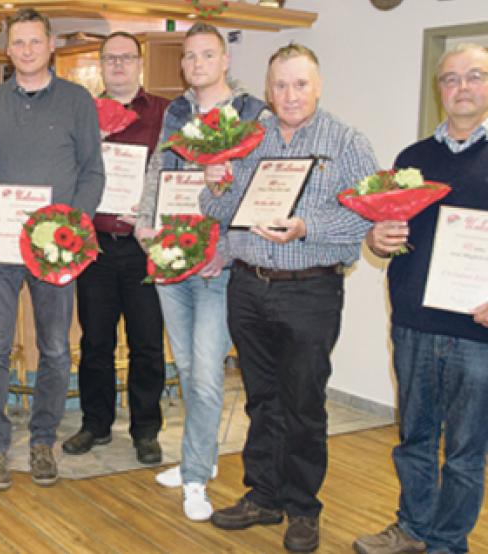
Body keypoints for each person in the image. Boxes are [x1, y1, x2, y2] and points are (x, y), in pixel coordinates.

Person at [199, 43, 377, 552]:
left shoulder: (347, 142)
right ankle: (263, 495)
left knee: (303, 403)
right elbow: (221, 209)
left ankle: (303, 508)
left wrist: (305, 226)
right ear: (268, 88)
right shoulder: (250, 141)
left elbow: (367, 215)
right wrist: (212, 185)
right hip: (250, 286)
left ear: (318, 86)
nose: (289, 94)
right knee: (261, 400)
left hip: (310, 290)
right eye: (279, 85)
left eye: (300, 84)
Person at [354, 43, 488, 554]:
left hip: (476, 332)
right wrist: (375, 240)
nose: (462, 87)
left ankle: (448, 543)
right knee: (414, 440)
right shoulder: (413, 159)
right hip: (413, 322)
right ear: (440, 90)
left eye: (474, 76)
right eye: (451, 79)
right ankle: (412, 529)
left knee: (465, 452)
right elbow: (389, 232)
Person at [0, 7, 105, 490]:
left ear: (51, 47)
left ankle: (43, 440)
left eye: (34, 41)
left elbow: (93, 172)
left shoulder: (77, 101)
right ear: (8, 50)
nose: (26, 50)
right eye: (18, 43)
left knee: (53, 349)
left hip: (55, 250)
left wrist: (74, 225)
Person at [135, 23, 267, 522]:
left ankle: (194, 478)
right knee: (188, 367)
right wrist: (146, 223)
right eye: (188, 57)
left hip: (217, 263)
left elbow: (257, 188)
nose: (195, 66)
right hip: (172, 256)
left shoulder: (252, 113)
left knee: (208, 372)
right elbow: (158, 170)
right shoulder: (176, 111)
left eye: (205, 56)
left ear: (225, 60)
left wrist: (229, 249)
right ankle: (201, 456)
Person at [65, 31, 167, 466]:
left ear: (139, 63)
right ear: (101, 65)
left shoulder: (164, 112)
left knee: (147, 343)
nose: (119, 65)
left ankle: (146, 430)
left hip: (144, 246)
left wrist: (150, 213)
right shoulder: (83, 114)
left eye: (127, 58)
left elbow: (176, 174)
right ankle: (96, 424)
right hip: (96, 246)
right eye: (111, 59)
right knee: (95, 341)